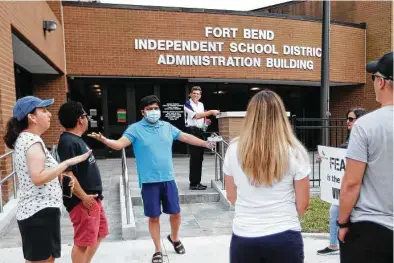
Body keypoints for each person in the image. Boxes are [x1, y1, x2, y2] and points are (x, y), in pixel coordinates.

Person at [88, 95, 215, 263]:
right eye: (150, 109)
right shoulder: (135, 129)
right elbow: (119, 145)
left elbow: (186, 137)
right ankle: (157, 250)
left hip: (168, 179)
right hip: (149, 182)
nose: (154, 111)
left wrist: (205, 143)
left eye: (156, 108)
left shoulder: (167, 127)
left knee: (176, 213)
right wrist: (104, 140)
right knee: (153, 217)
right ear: (143, 112)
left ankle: (174, 238)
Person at [223, 90, 311, 263]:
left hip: (244, 236)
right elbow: (303, 204)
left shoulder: (233, 149)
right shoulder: (295, 151)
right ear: (280, 115)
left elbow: (231, 197)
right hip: (285, 236)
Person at [3, 96, 91, 263]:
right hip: (39, 213)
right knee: (44, 260)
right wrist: (67, 163)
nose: (49, 114)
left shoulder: (26, 139)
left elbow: (38, 174)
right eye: (43, 110)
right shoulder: (31, 140)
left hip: (37, 213)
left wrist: (60, 178)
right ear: (32, 117)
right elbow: (38, 177)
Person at [338, 51, 393, 263]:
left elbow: (351, 183)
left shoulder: (366, 125)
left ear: (381, 82)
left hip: (371, 228)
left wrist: (343, 223)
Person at [57, 101, 108, 263]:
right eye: (86, 116)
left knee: (100, 232)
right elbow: (68, 174)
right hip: (83, 202)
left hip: (92, 199)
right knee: (82, 242)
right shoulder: (68, 142)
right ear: (80, 119)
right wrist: (84, 198)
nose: (87, 119)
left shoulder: (77, 139)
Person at [316, 107, 367, 255]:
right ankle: (334, 244)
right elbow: (341, 154)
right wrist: (326, 159)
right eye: (347, 118)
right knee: (335, 210)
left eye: (351, 119)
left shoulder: (363, 138)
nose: (347, 122)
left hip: (357, 186)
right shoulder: (351, 137)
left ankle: (341, 244)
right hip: (345, 185)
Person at [184, 86, 220, 190]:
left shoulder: (201, 104)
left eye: (198, 94)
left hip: (200, 131)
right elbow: (195, 116)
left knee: (199, 158)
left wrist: (206, 122)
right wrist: (210, 112)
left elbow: (201, 118)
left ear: (200, 95)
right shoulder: (187, 104)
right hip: (192, 132)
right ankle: (193, 183)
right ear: (190, 94)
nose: (196, 95)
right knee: (195, 157)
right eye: (194, 93)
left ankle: (197, 182)